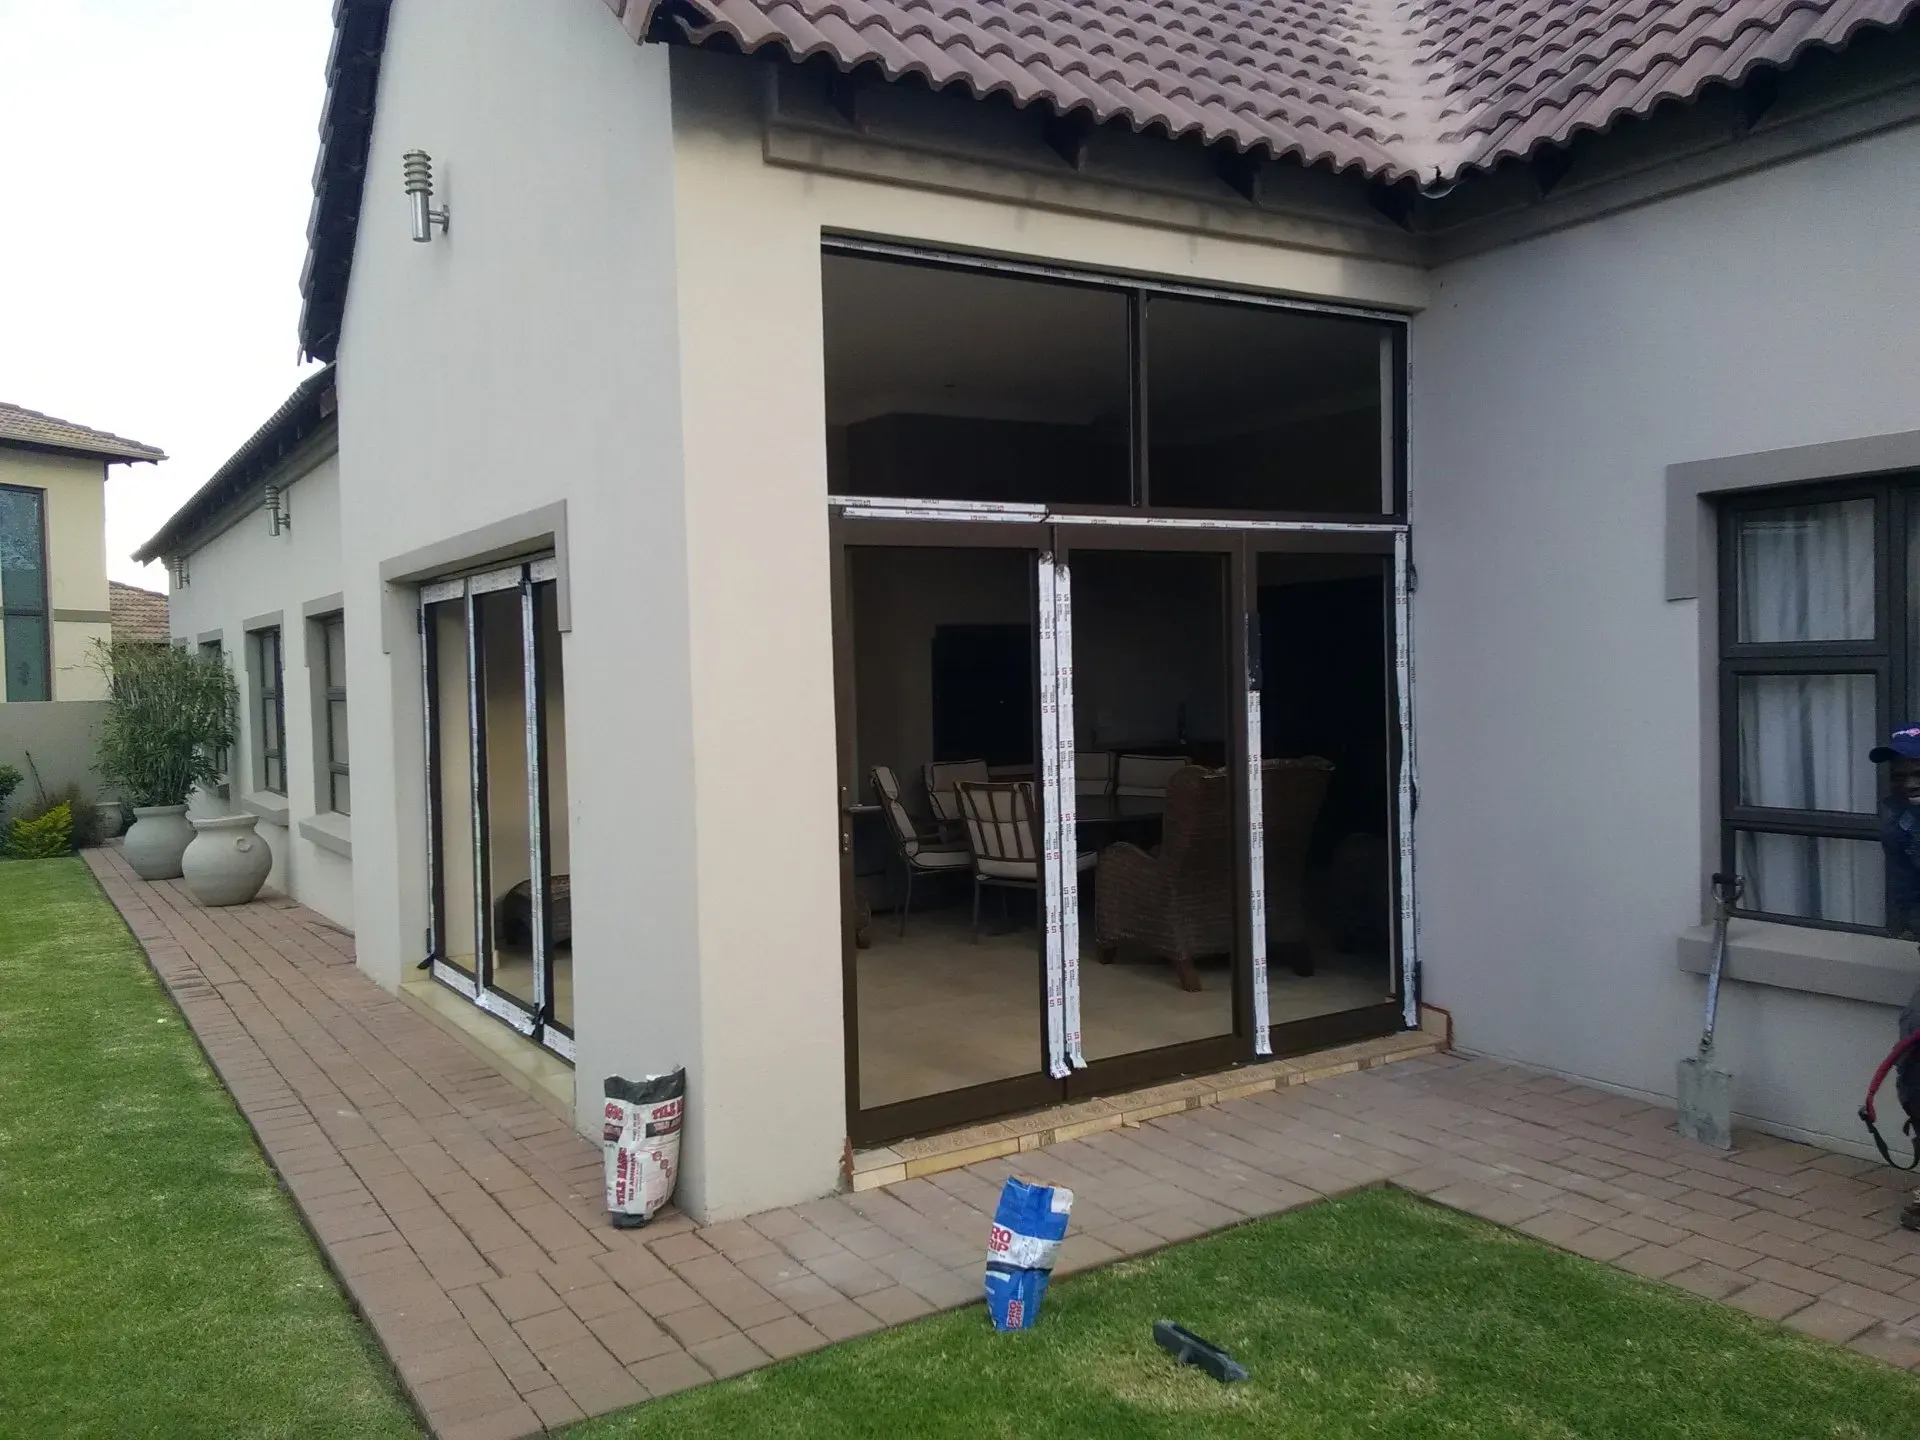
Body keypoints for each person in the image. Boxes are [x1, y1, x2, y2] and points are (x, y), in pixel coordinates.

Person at [1873, 725, 1920, 941]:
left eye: (1919, 773)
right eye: (1899, 775)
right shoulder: (1897, 827)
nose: (1910, 784)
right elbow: (1907, 892)